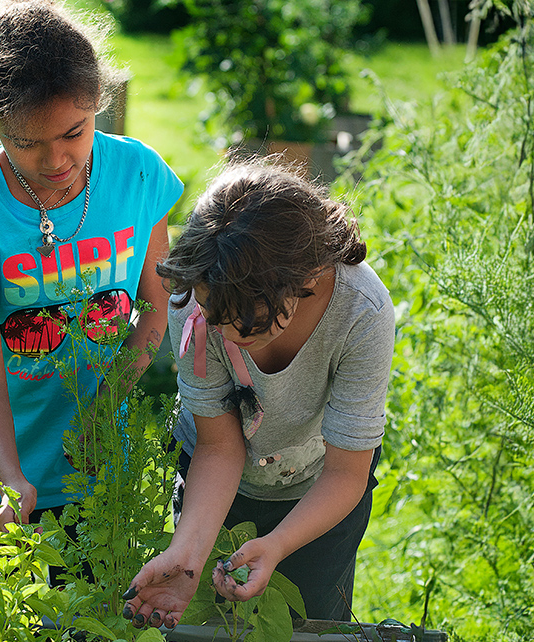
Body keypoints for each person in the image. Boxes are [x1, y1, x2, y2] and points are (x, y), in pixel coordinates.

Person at [0, 0, 183, 533]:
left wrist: (105, 406)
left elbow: (157, 311)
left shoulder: (138, 175)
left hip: (97, 466)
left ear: (97, 100)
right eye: (27, 143)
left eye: (73, 133)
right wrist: (8, 478)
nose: (56, 160)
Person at [121, 158, 395, 628]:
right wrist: (187, 557)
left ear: (306, 278)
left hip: (321, 488)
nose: (223, 331)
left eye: (246, 322)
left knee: (310, 625)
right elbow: (218, 447)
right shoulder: (196, 300)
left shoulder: (361, 312)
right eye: (214, 315)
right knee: (213, 625)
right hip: (217, 485)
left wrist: (277, 544)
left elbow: (345, 472)